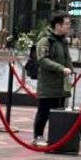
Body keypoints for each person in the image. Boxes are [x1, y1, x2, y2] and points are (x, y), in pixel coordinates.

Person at [32, 11, 74, 145]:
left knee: (59, 113)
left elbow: (67, 59)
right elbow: (42, 60)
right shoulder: (45, 40)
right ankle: (37, 137)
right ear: (57, 25)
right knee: (43, 113)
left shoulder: (63, 41)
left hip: (61, 85)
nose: (69, 26)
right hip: (48, 85)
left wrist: (70, 69)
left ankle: (56, 138)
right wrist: (61, 68)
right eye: (66, 24)